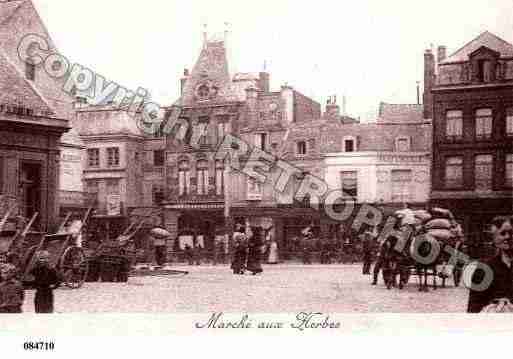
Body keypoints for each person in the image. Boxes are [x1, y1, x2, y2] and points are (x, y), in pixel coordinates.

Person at [468, 216, 513, 313]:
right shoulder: (484, 269)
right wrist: (495, 305)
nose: (508, 237)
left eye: (511, 233)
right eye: (502, 233)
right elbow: (473, 308)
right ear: (494, 239)